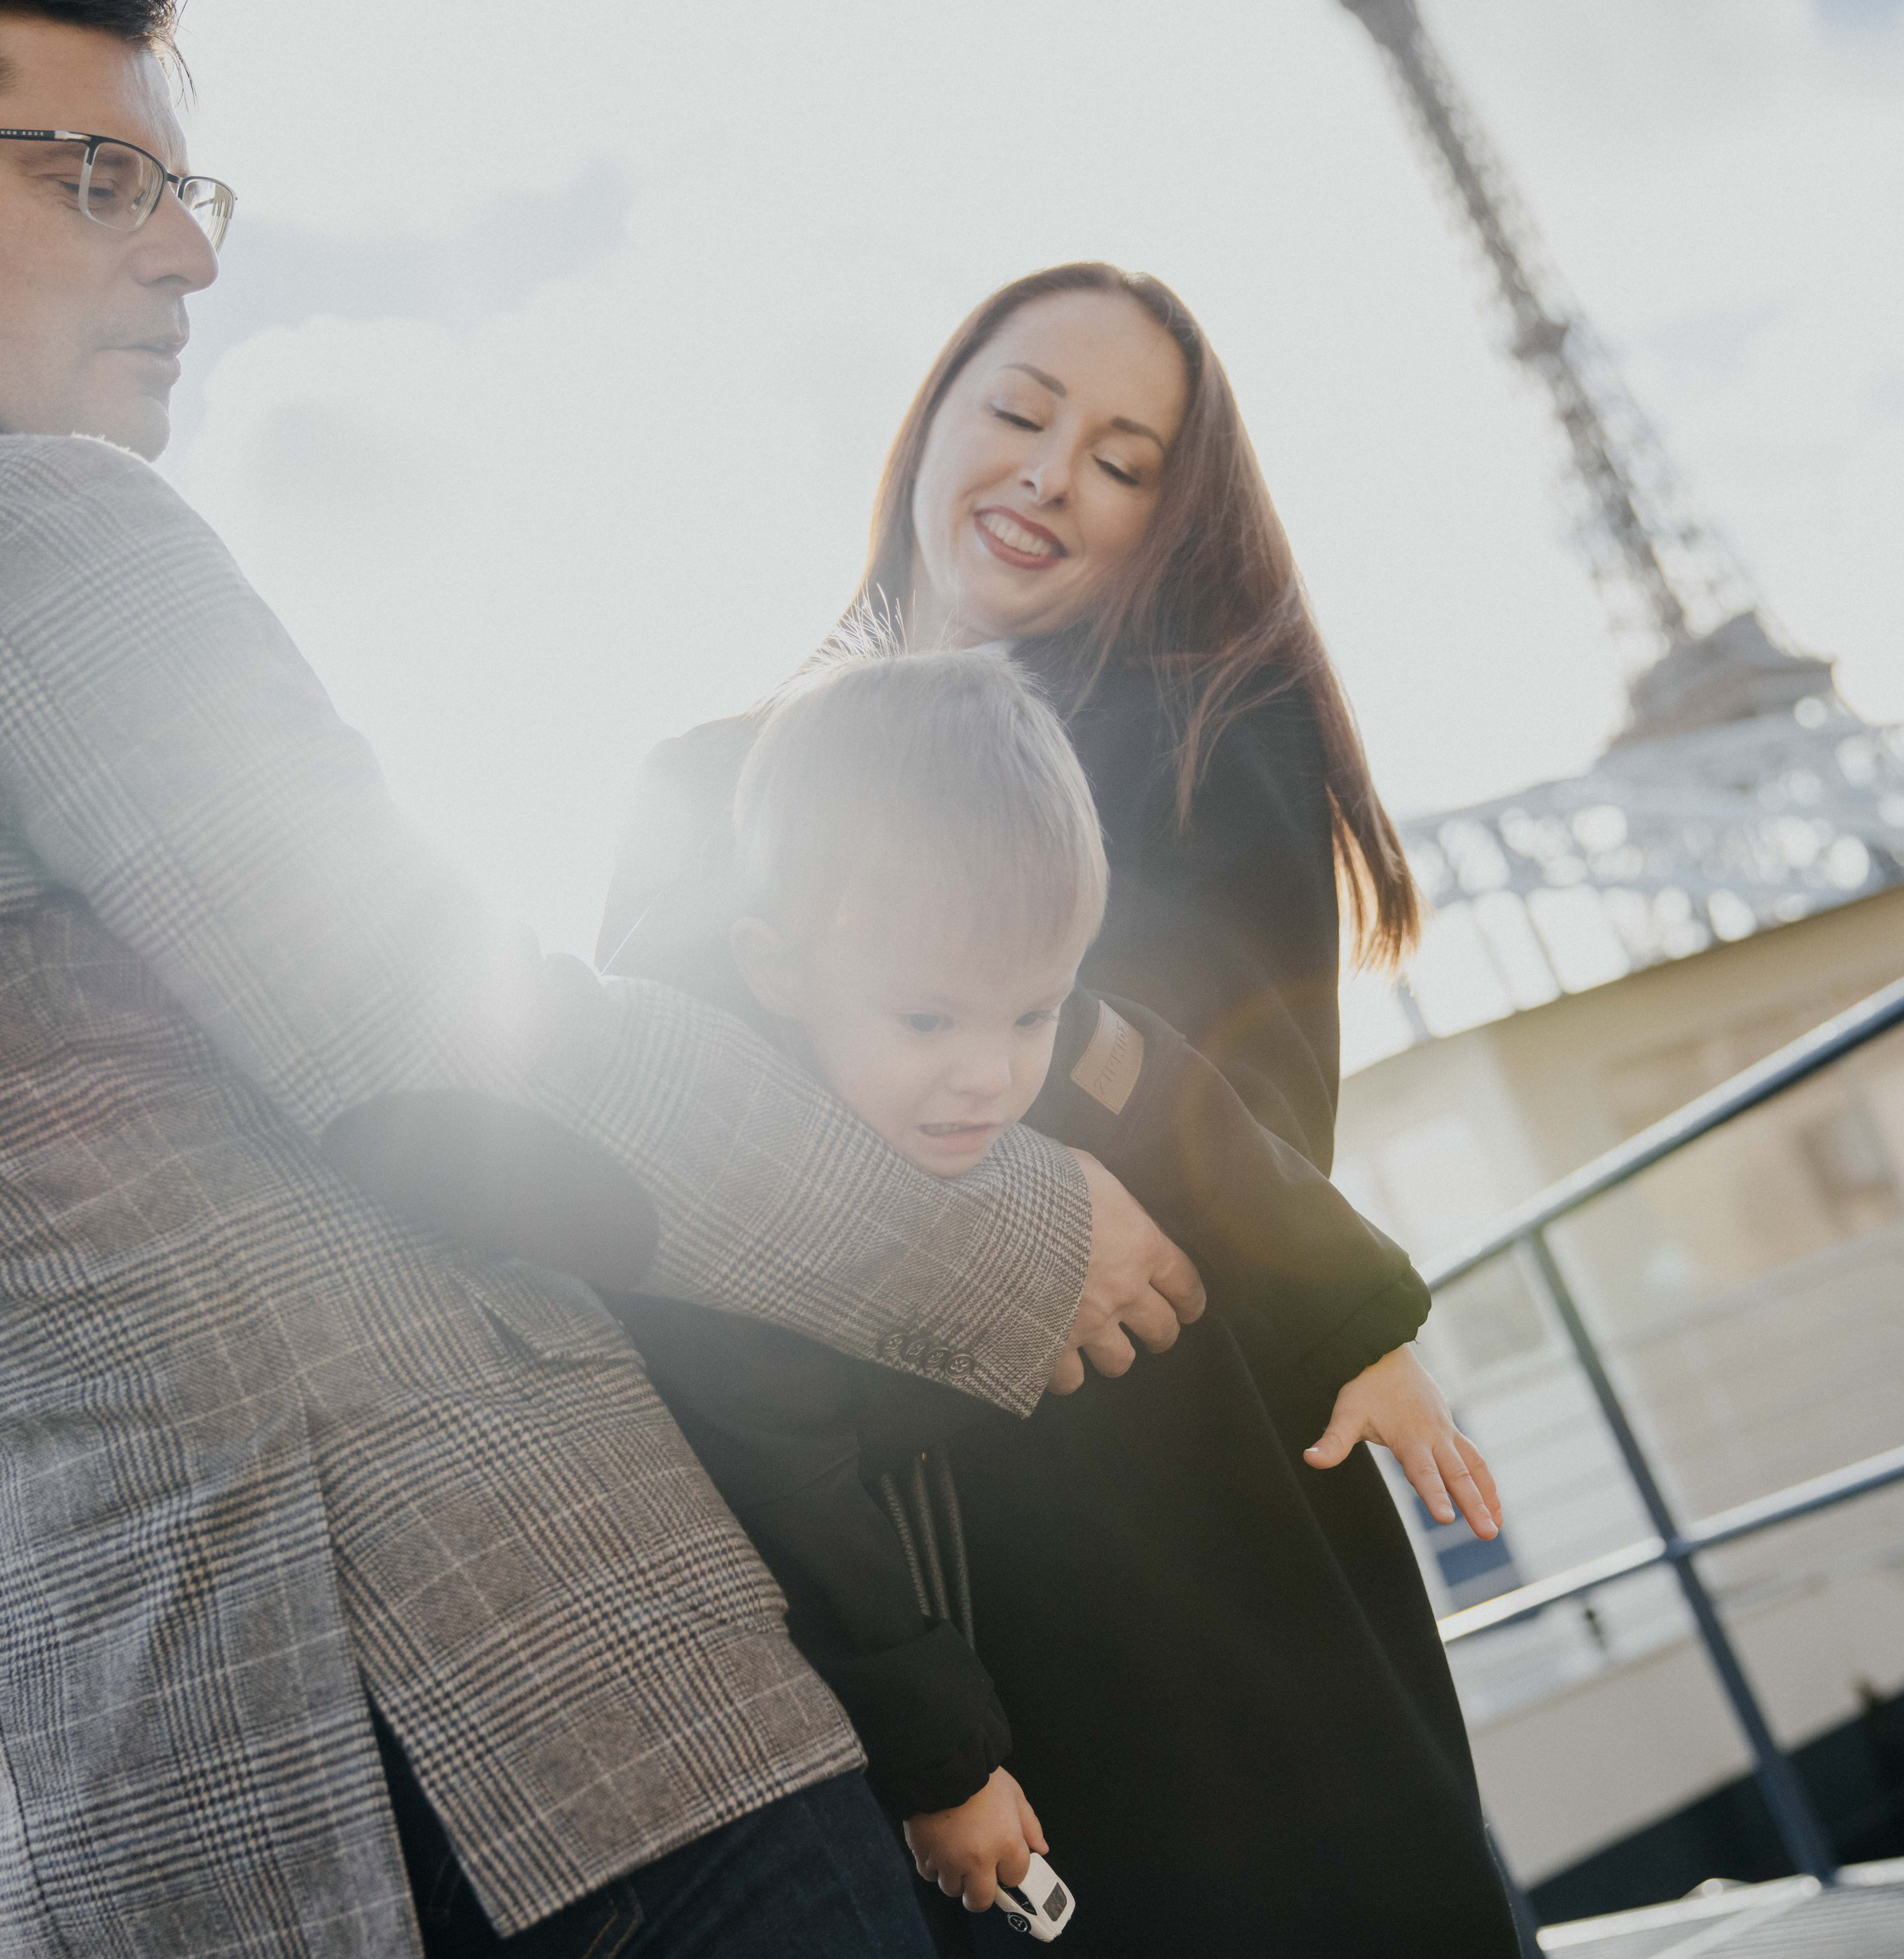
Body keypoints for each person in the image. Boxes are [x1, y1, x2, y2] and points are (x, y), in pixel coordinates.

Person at [0, 16, 1205, 1957]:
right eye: (91, 178)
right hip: (534, 1709)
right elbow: (437, 1051)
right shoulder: (40, 529)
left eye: (178, 185)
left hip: (172, 1796)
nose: (191, 254)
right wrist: (996, 1232)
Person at [602, 266, 1527, 1955]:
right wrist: (1026, 1214)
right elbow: (666, 1160)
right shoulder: (698, 785)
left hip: (1211, 1538)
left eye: (1121, 458)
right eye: (1017, 413)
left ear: (1171, 516)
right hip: (897, 1556)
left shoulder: (1204, 742)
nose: (1046, 474)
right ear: (933, 421)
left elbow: (1235, 1134)